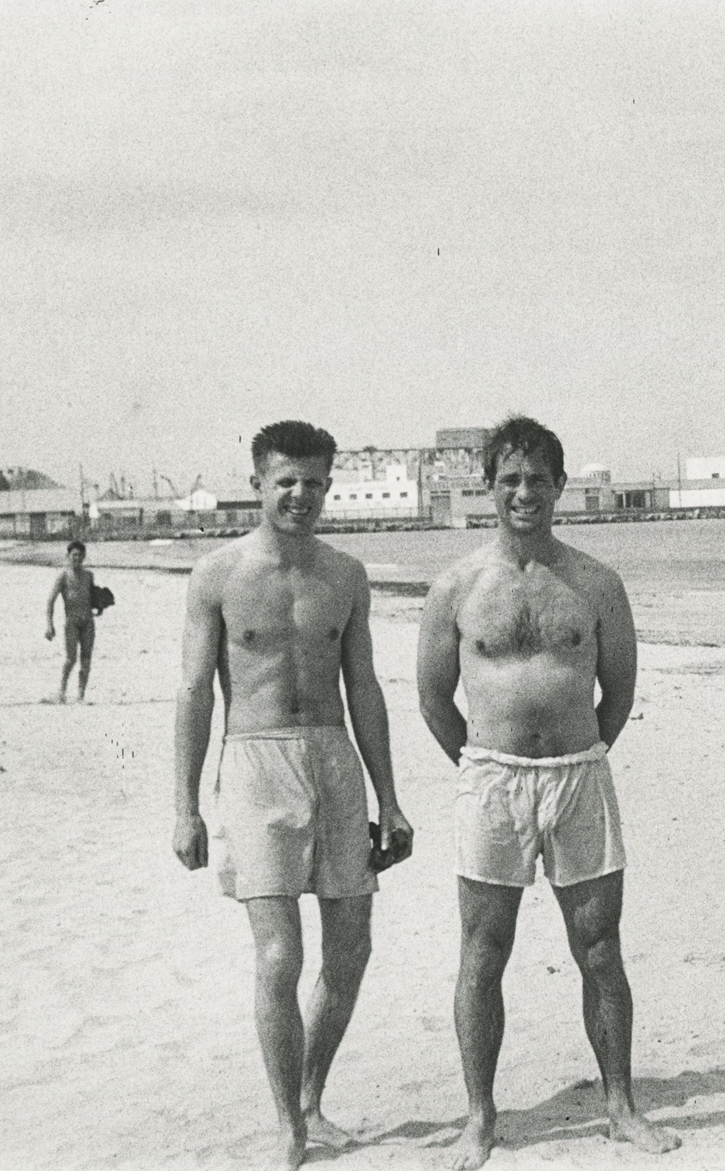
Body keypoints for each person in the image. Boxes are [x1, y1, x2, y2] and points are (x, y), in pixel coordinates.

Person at [416, 415, 679, 1169]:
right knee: (482, 952)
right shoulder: (457, 585)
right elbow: (435, 698)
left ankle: (621, 1105)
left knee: (600, 949)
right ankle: (479, 1117)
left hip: (578, 777)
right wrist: (482, 765)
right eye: (509, 480)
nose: (524, 492)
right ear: (489, 487)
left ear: (560, 486)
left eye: (537, 479)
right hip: (491, 781)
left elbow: (619, 691)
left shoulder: (596, 582)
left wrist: (572, 755)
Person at [171, 420, 414, 1170]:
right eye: (285, 480)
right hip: (254, 762)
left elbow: (365, 688)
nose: (299, 494)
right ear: (256, 482)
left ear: (328, 484)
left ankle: (311, 1097)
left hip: (334, 761)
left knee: (352, 950)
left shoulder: (345, 573)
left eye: (313, 481)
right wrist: (184, 805)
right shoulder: (216, 574)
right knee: (279, 957)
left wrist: (391, 798)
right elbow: (192, 693)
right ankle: (288, 1127)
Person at [45, 539, 97, 702]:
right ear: (68, 556)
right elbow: (51, 601)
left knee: (86, 659)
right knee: (71, 659)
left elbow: (92, 598)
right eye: (74, 555)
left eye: (80, 555)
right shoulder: (63, 576)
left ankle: (80, 695)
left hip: (88, 621)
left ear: (84, 556)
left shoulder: (89, 575)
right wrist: (49, 625)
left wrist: (100, 606)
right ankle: (62, 691)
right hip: (72, 622)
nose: (77, 558)